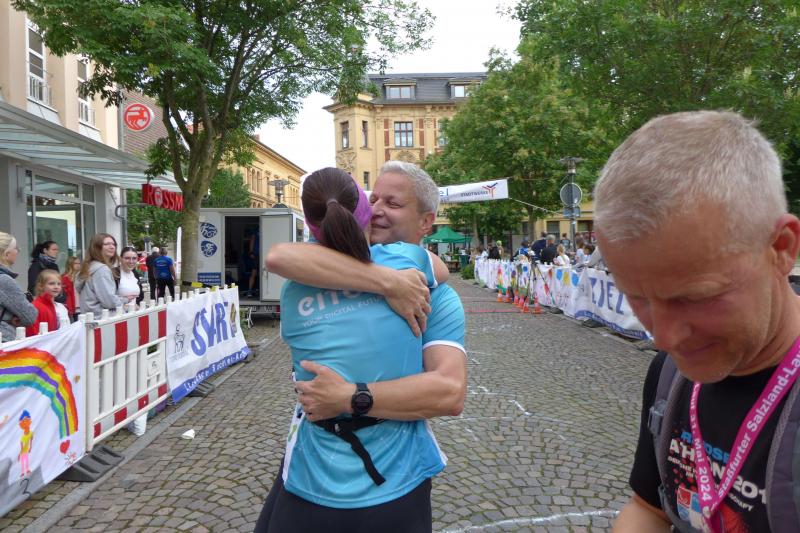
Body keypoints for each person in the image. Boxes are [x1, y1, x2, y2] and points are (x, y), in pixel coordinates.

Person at [597, 111, 800, 532]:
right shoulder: (669, 376)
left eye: (695, 298)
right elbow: (649, 509)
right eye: (637, 297)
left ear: (781, 249)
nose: (663, 337)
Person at [263, 160, 467, 531]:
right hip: (314, 465)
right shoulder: (412, 271)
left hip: (390, 476)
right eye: (373, 200)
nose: (378, 210)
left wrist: (349, 397)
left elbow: (449, 392)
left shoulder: (298, 285)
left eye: (393, 203)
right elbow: (281, 257)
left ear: (426, 221)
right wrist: (389, 282)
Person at [75, 233, 126, 315]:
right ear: (96, 248)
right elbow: (109, 301)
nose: (112, 247)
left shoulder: (89, 267)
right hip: (103, 318)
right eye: (107, 244)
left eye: (113, 244)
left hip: (91, 317)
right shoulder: (101, 269)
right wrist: (125, 300)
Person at [0, 232, 38, 342]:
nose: (18, 250)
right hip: (4, 341)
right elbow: (30, 316)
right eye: (16, 248)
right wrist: (11, 319)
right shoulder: (4, 281)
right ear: (6, 254)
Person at [26, 270, 70, 336]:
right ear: (41, 286)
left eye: (59, 284)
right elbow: (33, 334)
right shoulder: (35, 306)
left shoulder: (57, 306)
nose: (56, 287)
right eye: (51, 283)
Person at [61, 256, 81, 321]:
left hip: (80, 305)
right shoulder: (65, 277)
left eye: (79, 263)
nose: (78, 265)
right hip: (71, 306)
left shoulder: (81, 276)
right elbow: (65, 293)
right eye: (75, 263)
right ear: (70, 264)